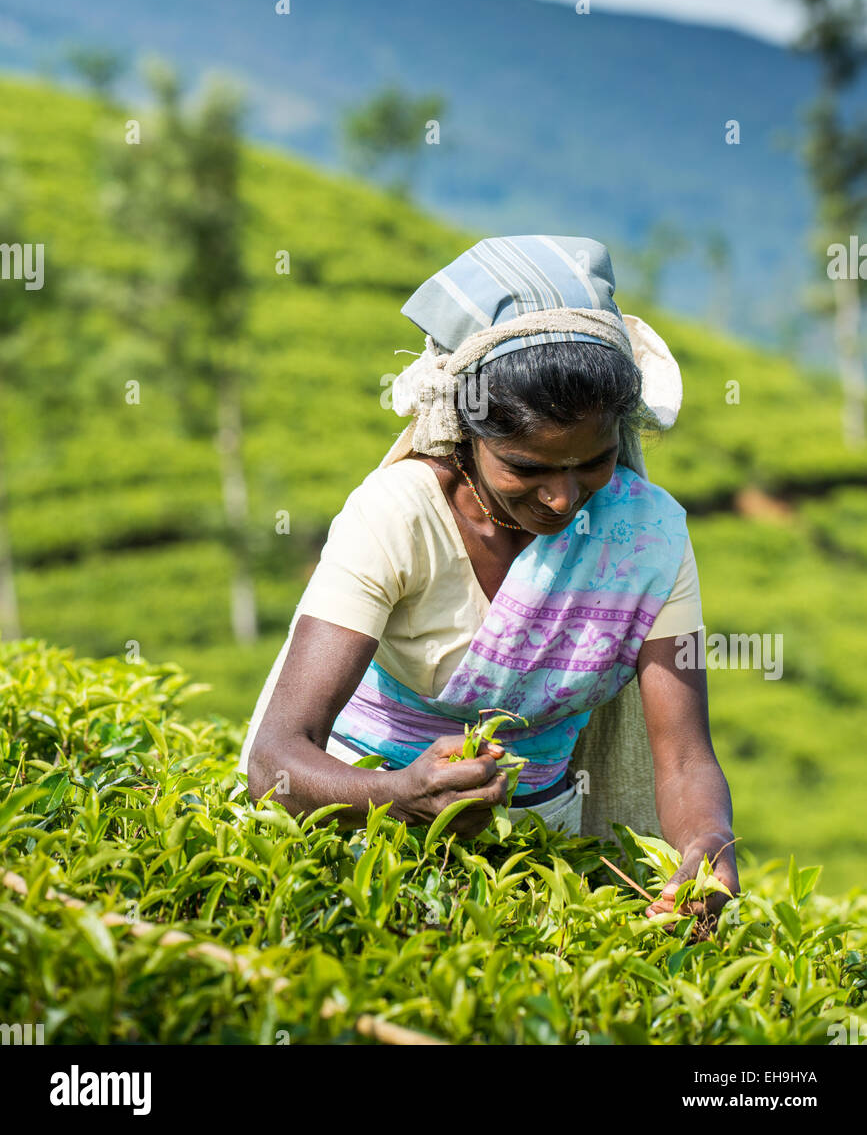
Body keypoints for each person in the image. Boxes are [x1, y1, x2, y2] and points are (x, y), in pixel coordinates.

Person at [243, 235, 738, 920]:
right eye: (527, 469)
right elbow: (276, 757)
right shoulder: (399, 515)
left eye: (591, 463)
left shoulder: (646, 536)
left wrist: (706, 848)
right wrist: (400, 794)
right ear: (464, 433)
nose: (563, 499)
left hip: (545, 844)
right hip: (354, 824)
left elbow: (684, 760)